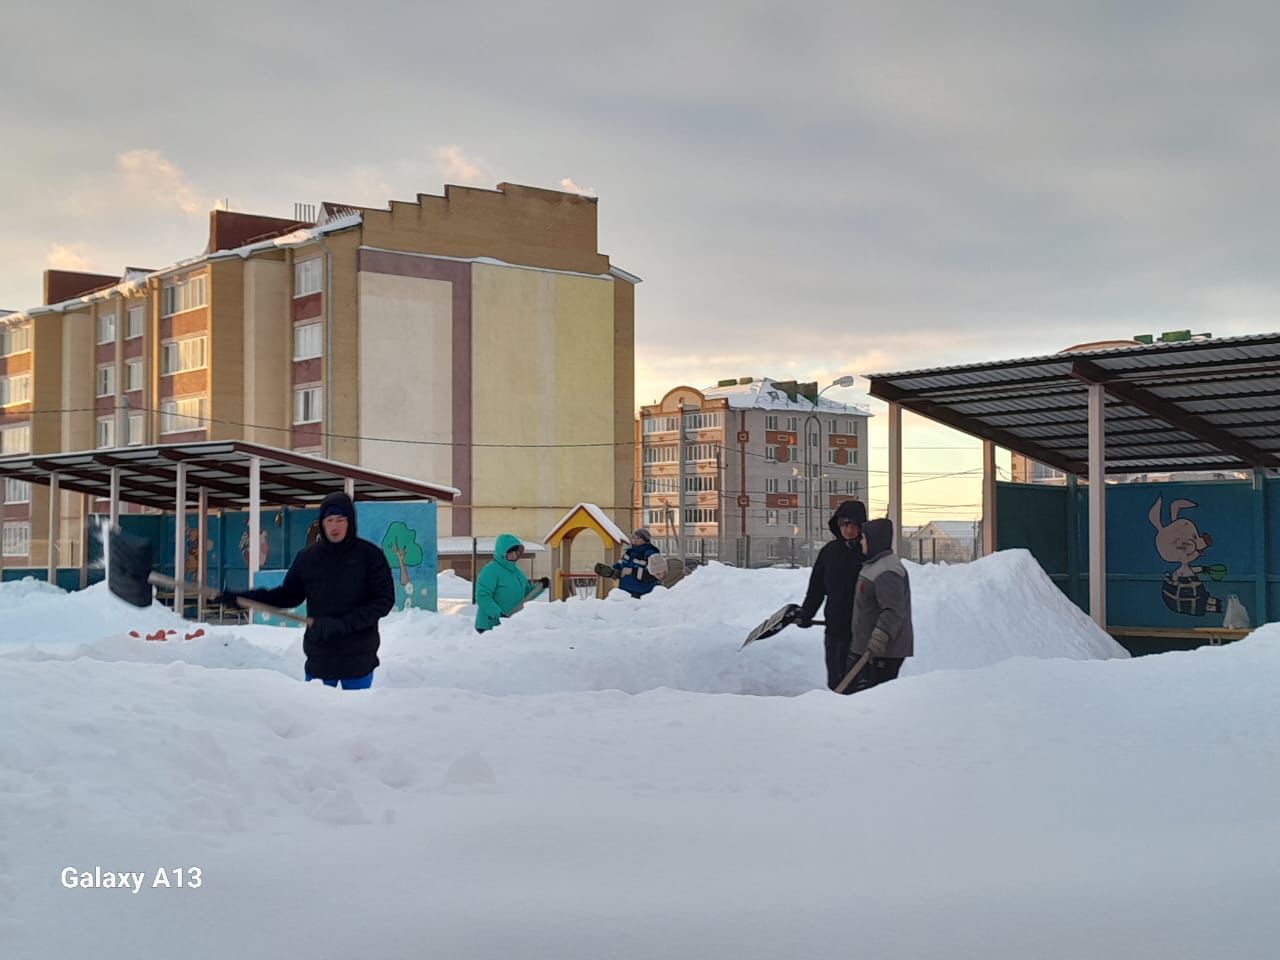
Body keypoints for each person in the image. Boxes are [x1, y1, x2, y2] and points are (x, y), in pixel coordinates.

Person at [221, 492, 395, 690]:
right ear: (322, 523)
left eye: (340, 519)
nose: (335, 526)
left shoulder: (370, 556)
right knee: (315, 716)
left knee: (357, 717)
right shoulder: (308, 558)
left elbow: (384, 600)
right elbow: (287, 595)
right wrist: (244, 599)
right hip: (320, 657)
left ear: (351, 522)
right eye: (329, 520)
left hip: (359, 657)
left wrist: (344, 624)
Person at [796, 499, 868, 692]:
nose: (848, 529)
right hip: (835, 628)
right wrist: (806, 614)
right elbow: (816, 588)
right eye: (844, 524)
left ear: (862, 526)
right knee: (836, 681)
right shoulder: (830, 552)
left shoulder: (868, 553)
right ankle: (836, 718)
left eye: (853, 524)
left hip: (861, 631)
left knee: (856, 684)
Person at [845, 517, 914, 694]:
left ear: (874, 540)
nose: (860, 541)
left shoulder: (887, 570)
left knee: (872, 699)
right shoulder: (874, 565)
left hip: (881, 652)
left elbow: (893, 610)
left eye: (864, 537)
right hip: (867, 648)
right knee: (856, 697)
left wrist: (878, 639)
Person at [475, 534, 550, 632]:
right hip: (489, 626)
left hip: (510, 624)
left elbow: (526, 594)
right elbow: (483, 597)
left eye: (516, 552)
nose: (514, 555)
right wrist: (498, 614)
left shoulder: (518, 572)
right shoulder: (491, 571)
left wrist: (540, 586)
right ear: (502, 553)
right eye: (510, 552)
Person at [612, 528, 662, 598]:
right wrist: (612, 571)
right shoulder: (629, 552)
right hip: (624, 592)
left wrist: (632, 572)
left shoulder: (651, 554)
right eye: (633, 538)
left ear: (645, 540)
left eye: (638, 538)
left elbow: (654, 576)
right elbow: (619, 565)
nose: (635, 540)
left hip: (642, 594)